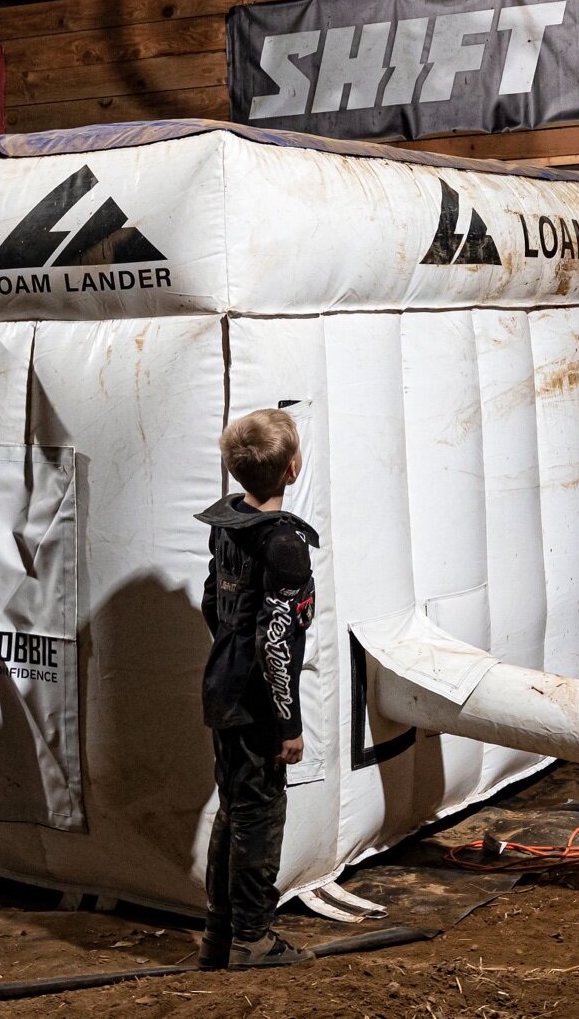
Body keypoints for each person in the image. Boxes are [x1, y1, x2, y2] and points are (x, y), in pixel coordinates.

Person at [194, 407, 320, 971]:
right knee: (259, 816)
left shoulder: (228, 522)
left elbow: (212, 602)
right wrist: (288, 725)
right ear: (292, 469)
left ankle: (221, 935)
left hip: (224, 687)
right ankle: (252, 939)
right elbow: (276, 641)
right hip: (256, 703)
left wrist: (228, 654)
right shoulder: (284, 543)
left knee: (235, 809)